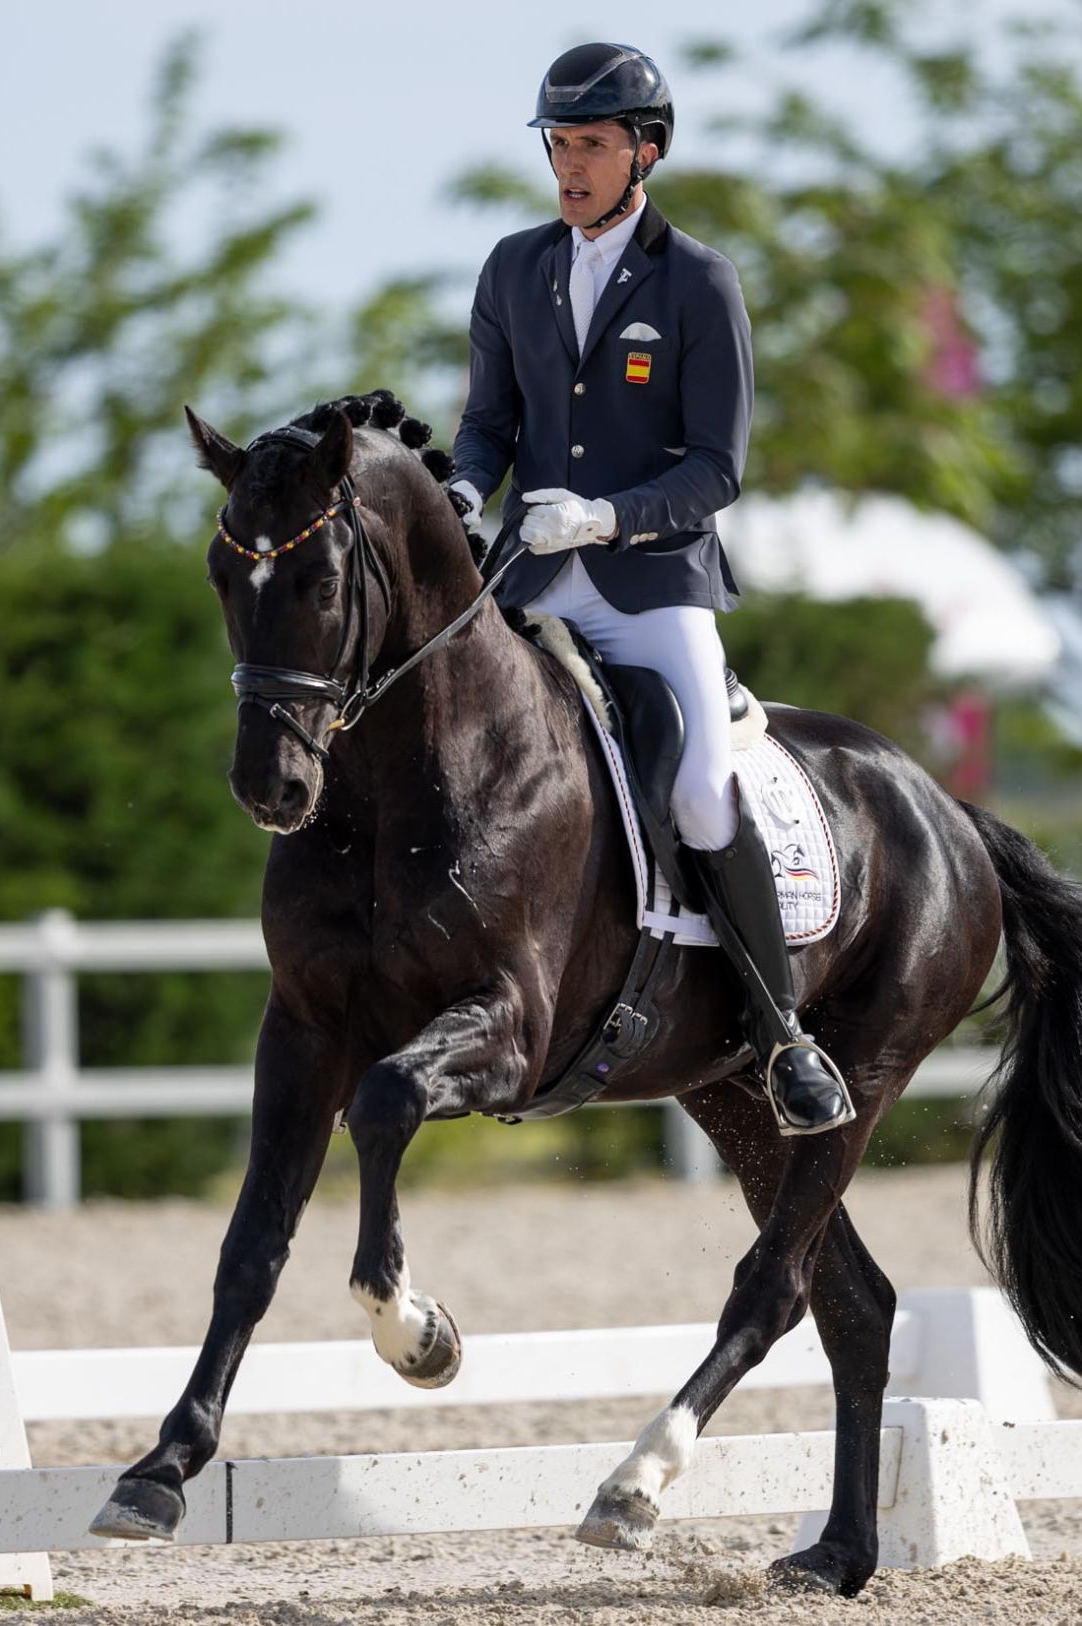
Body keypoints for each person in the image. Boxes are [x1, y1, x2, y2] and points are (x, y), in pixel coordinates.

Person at [449, 41, 855, 1136]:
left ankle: (782, 1036)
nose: (569, 167)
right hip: (531, 571)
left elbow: (715, 467)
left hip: (650, 583)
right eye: (558, 145)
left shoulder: (697, 281)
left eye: (590, 146)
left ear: (646, 151)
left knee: (697, 792)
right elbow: (489, 422)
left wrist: (608, 514)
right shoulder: (512, 267)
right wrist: (461, 483)